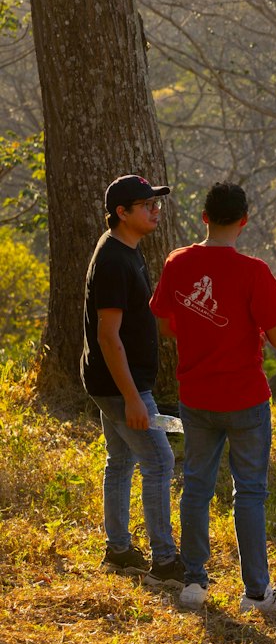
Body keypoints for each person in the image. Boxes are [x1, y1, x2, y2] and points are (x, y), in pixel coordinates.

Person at [150, 182, 276, 614]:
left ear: (204, 217)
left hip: (196, 395)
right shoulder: (253, 271)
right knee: (249, 493)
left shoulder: (178, 262)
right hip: (246, 399)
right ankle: (256, 593)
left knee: (196, 485)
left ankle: (194, 581)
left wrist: (197, 334)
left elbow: (163, 321)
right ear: (244, 221)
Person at [81, 173, 183, 582]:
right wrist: (134, 398)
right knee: (159, 460)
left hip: (114, 382)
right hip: (121, 384)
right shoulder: (112, 261)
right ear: (122, 213)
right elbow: (108, 337)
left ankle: (119, 551)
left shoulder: (126, 248)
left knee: (121, 459)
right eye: (146, 205)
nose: (155, 210)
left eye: (156, 203)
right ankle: (164, 561)